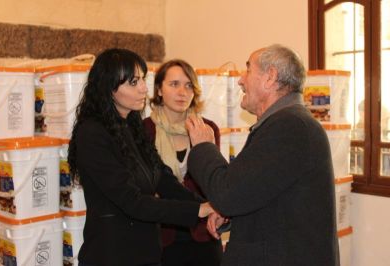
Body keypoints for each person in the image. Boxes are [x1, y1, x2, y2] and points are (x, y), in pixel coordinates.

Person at [185, 44, 340, 266]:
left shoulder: (289, 126)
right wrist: (232, 214)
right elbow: (264, 190)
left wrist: (203, 146)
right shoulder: (286, 123)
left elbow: (227, 193)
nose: (240, 80)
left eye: (248, 70)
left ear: (270, 77)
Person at [68, 48, 214, 266]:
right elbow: (131, 201)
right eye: (133, 82)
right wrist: (198, 210)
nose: (144, 89)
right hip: (112, 255)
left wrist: (208, 206)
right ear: (109, 87)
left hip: (145, 253)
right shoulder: (92, 133)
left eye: (143, 80)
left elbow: (164, 179)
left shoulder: (132, 126)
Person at [143, 59, 223, 266]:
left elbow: (213, 180)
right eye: (174, 84)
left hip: (203, 233)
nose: (182, 92)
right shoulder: (144, 131)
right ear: (159, 89)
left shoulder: (207, 129)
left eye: (188, 85)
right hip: (161, 235)